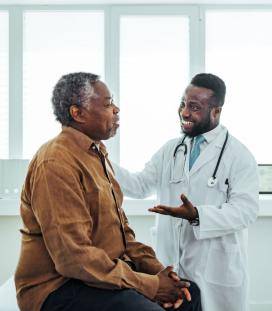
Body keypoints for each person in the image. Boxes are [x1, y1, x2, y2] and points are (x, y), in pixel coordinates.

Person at [14, 72, 202, 311]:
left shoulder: (97, 153)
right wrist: (149, 285)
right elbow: (74, 258)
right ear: (77, 113)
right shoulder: (55, 163)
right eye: (107, 104)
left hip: (97, 276)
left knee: (187, 293)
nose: (116, 109)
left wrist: (160, 274)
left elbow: (123, 235)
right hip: (58, 287)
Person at [113, 73, 259, 311]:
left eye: (194, 107)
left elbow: (246, 211)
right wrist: (101, 156)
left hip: (215, 269)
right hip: (171, 265)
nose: (184, 112)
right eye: (182, 104)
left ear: (216, 111)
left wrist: (197, 215)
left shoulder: (239, 156)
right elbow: (139, 186)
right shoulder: (172, 149)